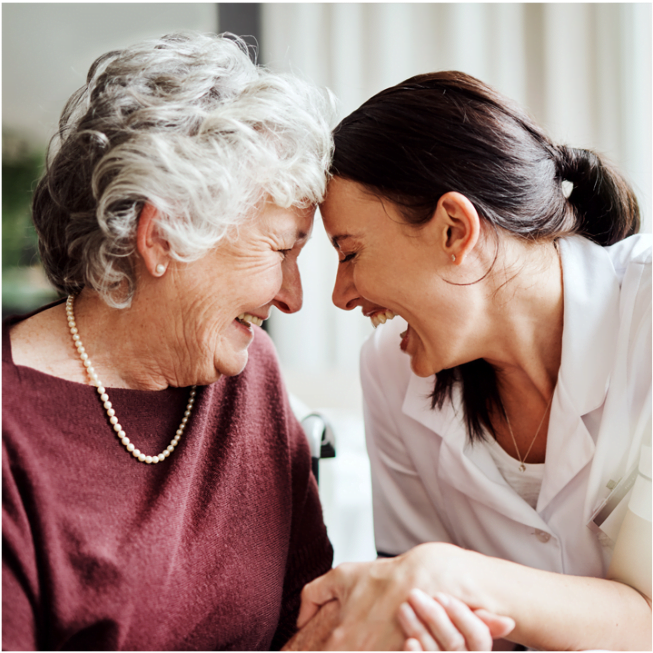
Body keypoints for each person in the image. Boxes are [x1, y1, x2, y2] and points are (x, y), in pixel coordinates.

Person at [2, 32, 337, 650]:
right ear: (162, 237)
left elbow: (309, 625)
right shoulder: (12, 432)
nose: (293, 297)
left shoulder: (249, 375)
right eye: (281, 248)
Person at [296, 71, 651, 650]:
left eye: (351, 252)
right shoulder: (390, 371)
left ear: (454, 230)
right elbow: (426, 627)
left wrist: (445, 572)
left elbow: (647, 622)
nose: (342, 295)